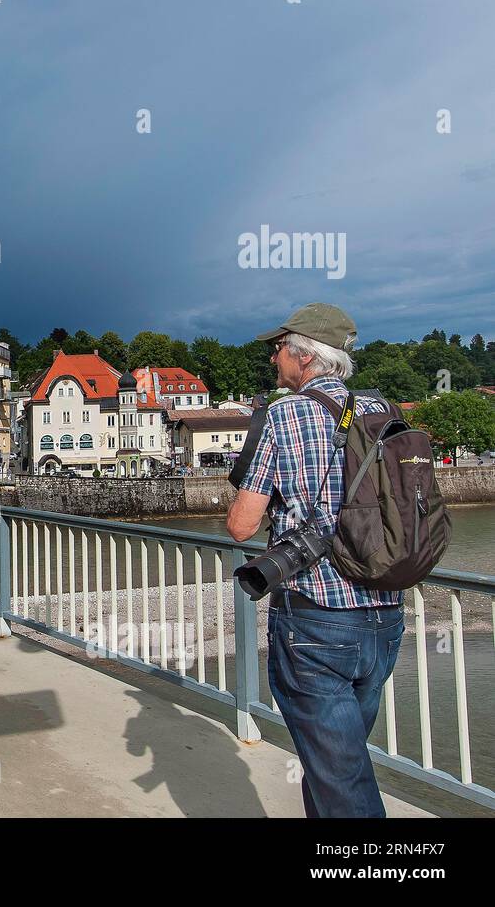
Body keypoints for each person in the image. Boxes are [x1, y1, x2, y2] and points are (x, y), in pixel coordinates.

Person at [226, 303, 402, 818]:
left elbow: (242, 526)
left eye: (278, 347)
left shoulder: (282, 414)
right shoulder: (382, 409)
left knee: (340, 776)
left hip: (318, 621)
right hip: (385, 615)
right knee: (336, 765)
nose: (274, 356)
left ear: (304, 357)